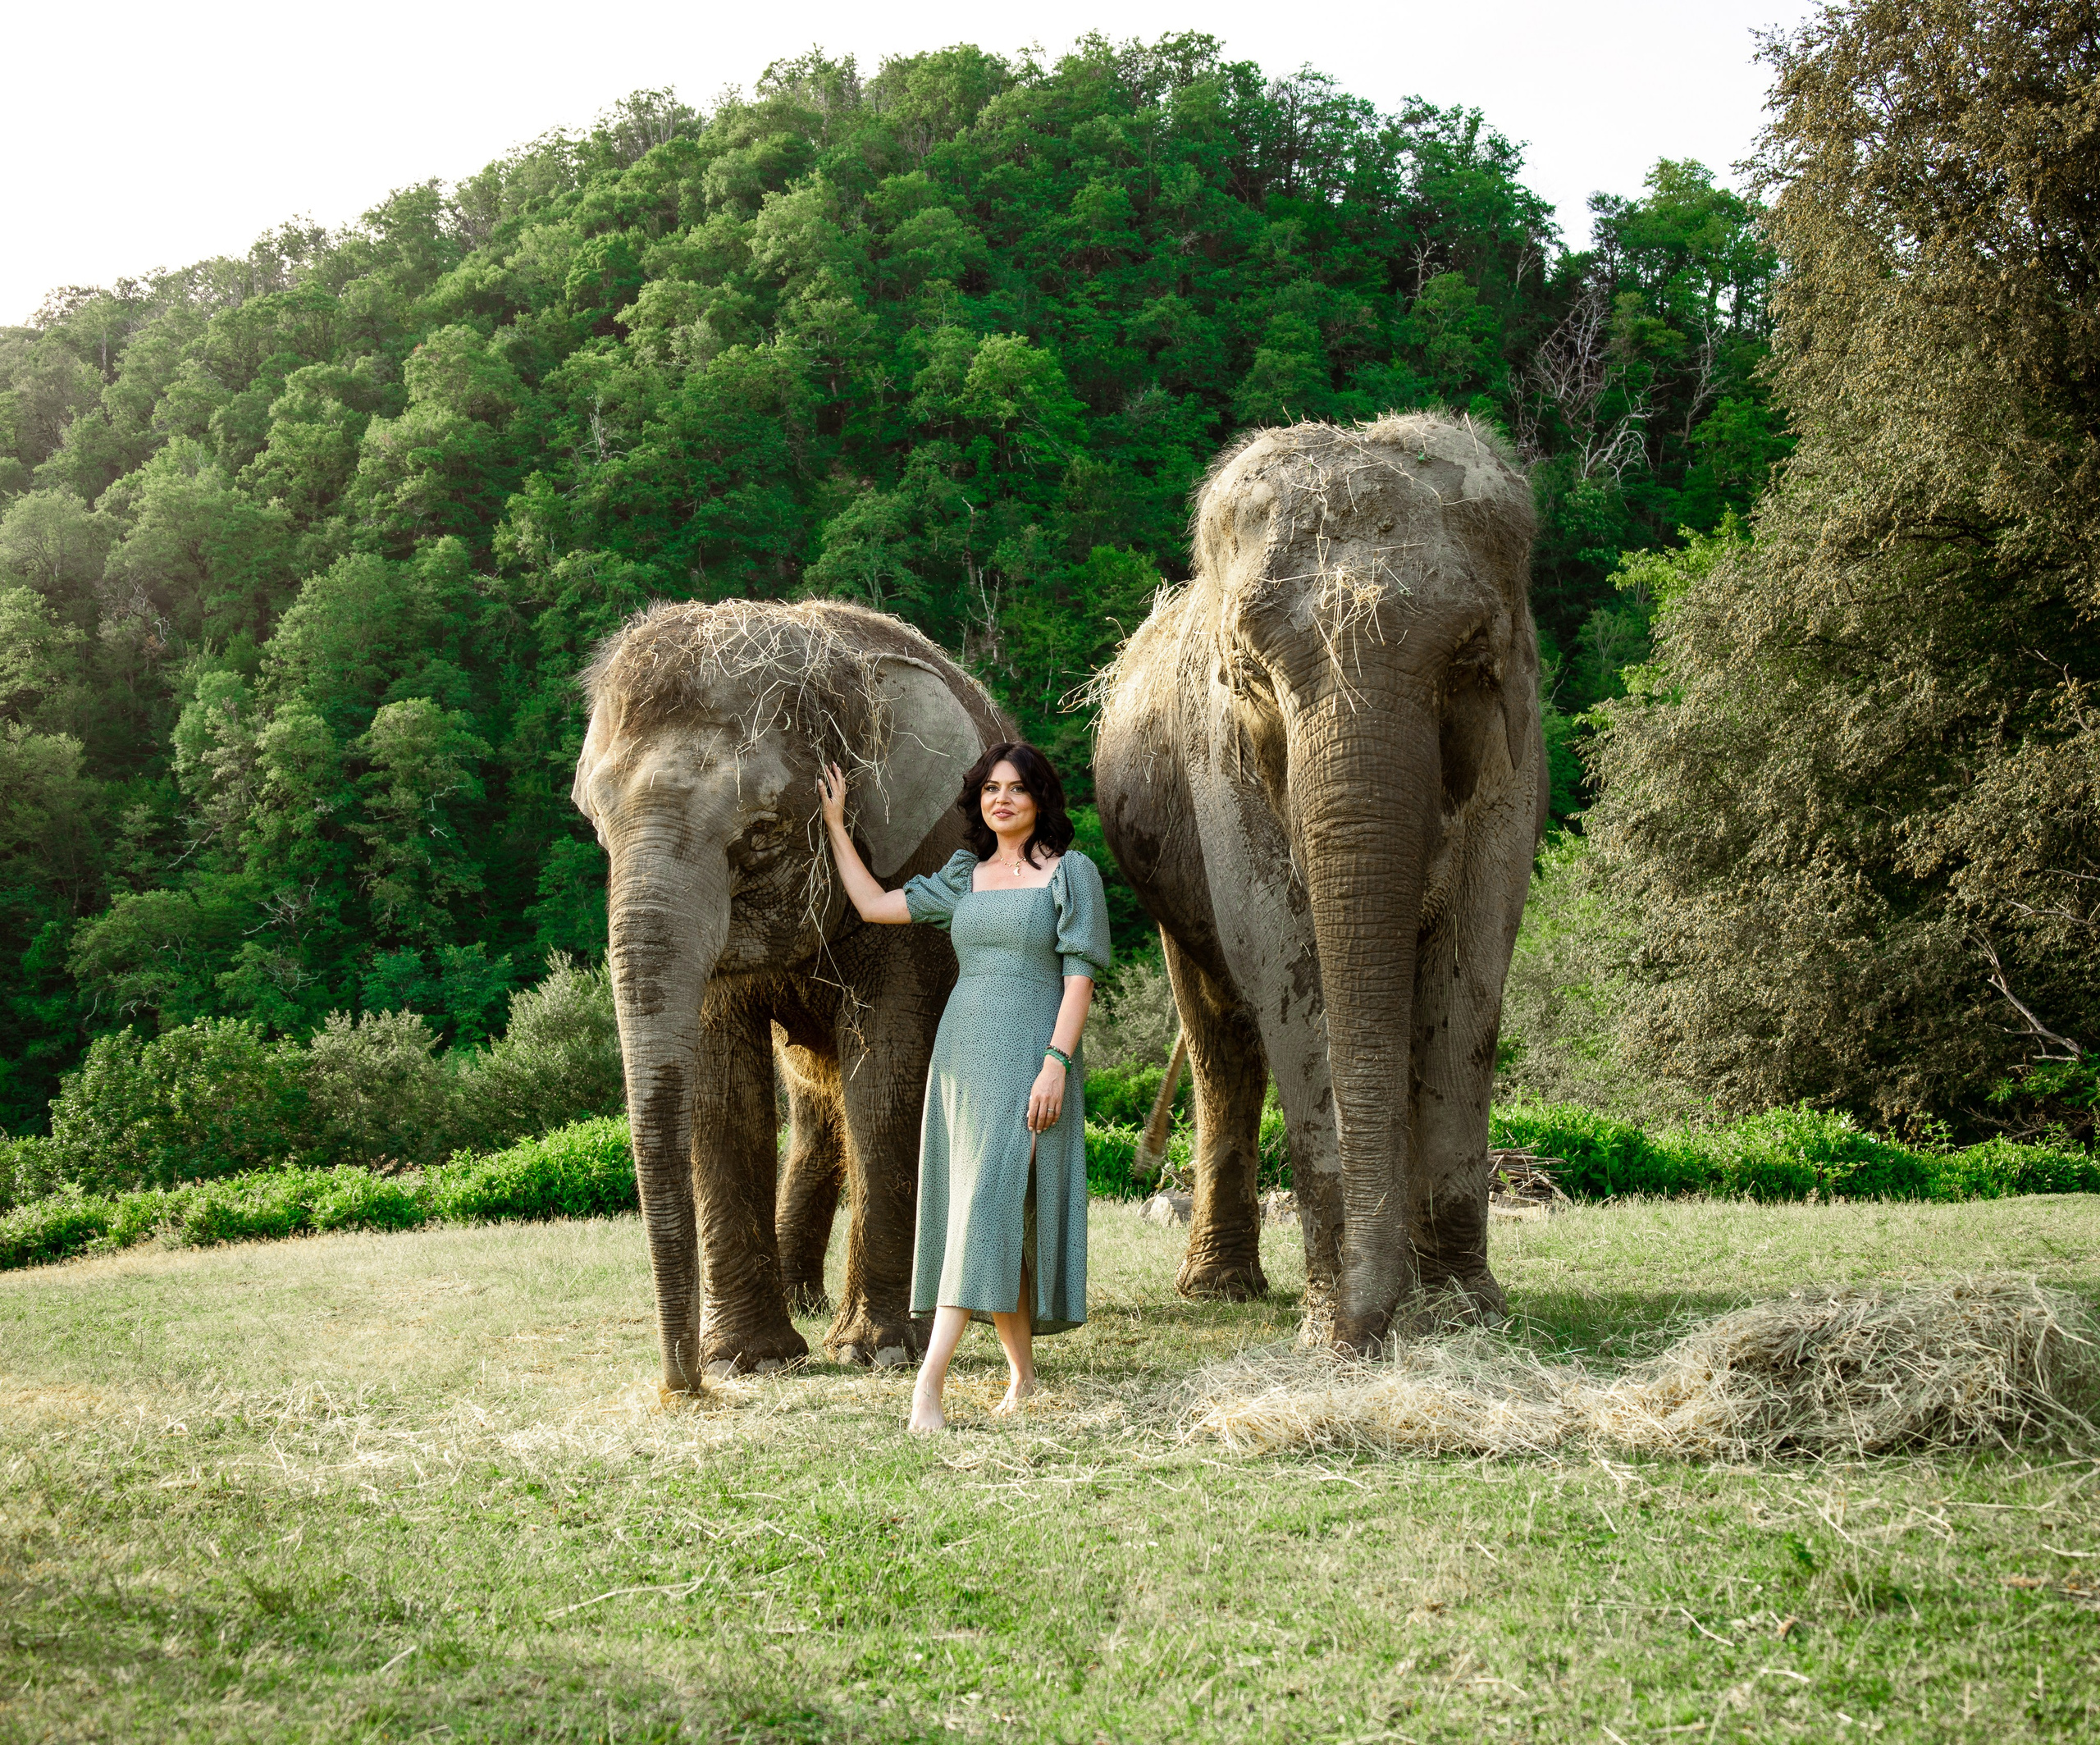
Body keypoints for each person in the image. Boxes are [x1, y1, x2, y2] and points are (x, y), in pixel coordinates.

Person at [818, 741, 1112, 1432]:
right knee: (990, 1208)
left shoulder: (1072, 874)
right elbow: (872, 903)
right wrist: (834, 824)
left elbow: (1079, 980)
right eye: (990, 789)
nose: (1001, 799)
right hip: (962, 1059)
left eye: (1016, 788)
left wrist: (1055, 1063)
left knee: (985, 1205)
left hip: (1031, 1055)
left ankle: (928, 1385)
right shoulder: (963, 876)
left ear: (1041, 798)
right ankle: (1023, 1376)